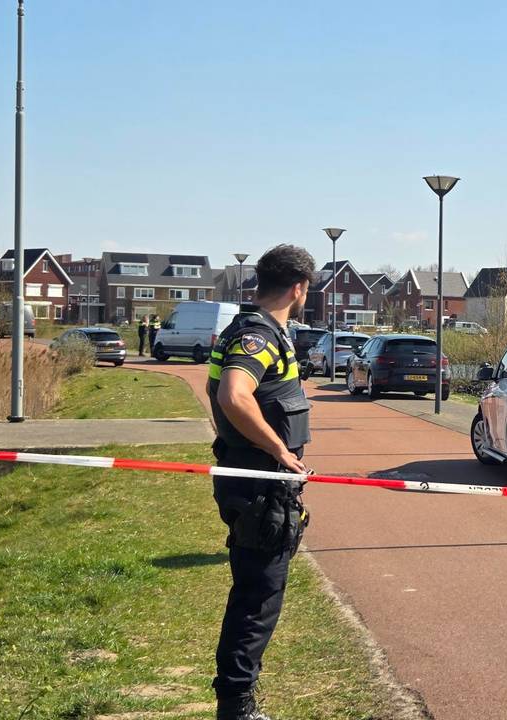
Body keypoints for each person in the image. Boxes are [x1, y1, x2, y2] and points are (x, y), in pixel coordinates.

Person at [207, 244, 317, 720]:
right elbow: (234, 395)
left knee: (257, 592)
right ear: (298, 288)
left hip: (257, 480)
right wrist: (278, 450)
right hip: (259, 485)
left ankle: (238, 699)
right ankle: (237, 706)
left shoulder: (254, 328)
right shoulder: (259, 336)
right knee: (258, 597)